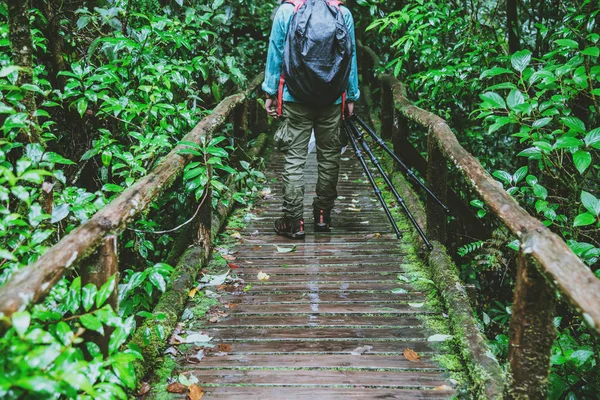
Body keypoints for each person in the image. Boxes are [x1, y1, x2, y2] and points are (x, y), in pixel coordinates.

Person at [262, 0, 360, 239]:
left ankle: (295, 222)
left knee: (294, 159)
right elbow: (350, 57)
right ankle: (323, 216)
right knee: (329, 157)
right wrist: (351, 95)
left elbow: (275, 52)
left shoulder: (286, 11)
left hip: (295, 97)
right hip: (332, 99)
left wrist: (270, 92)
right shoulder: (342, 12)